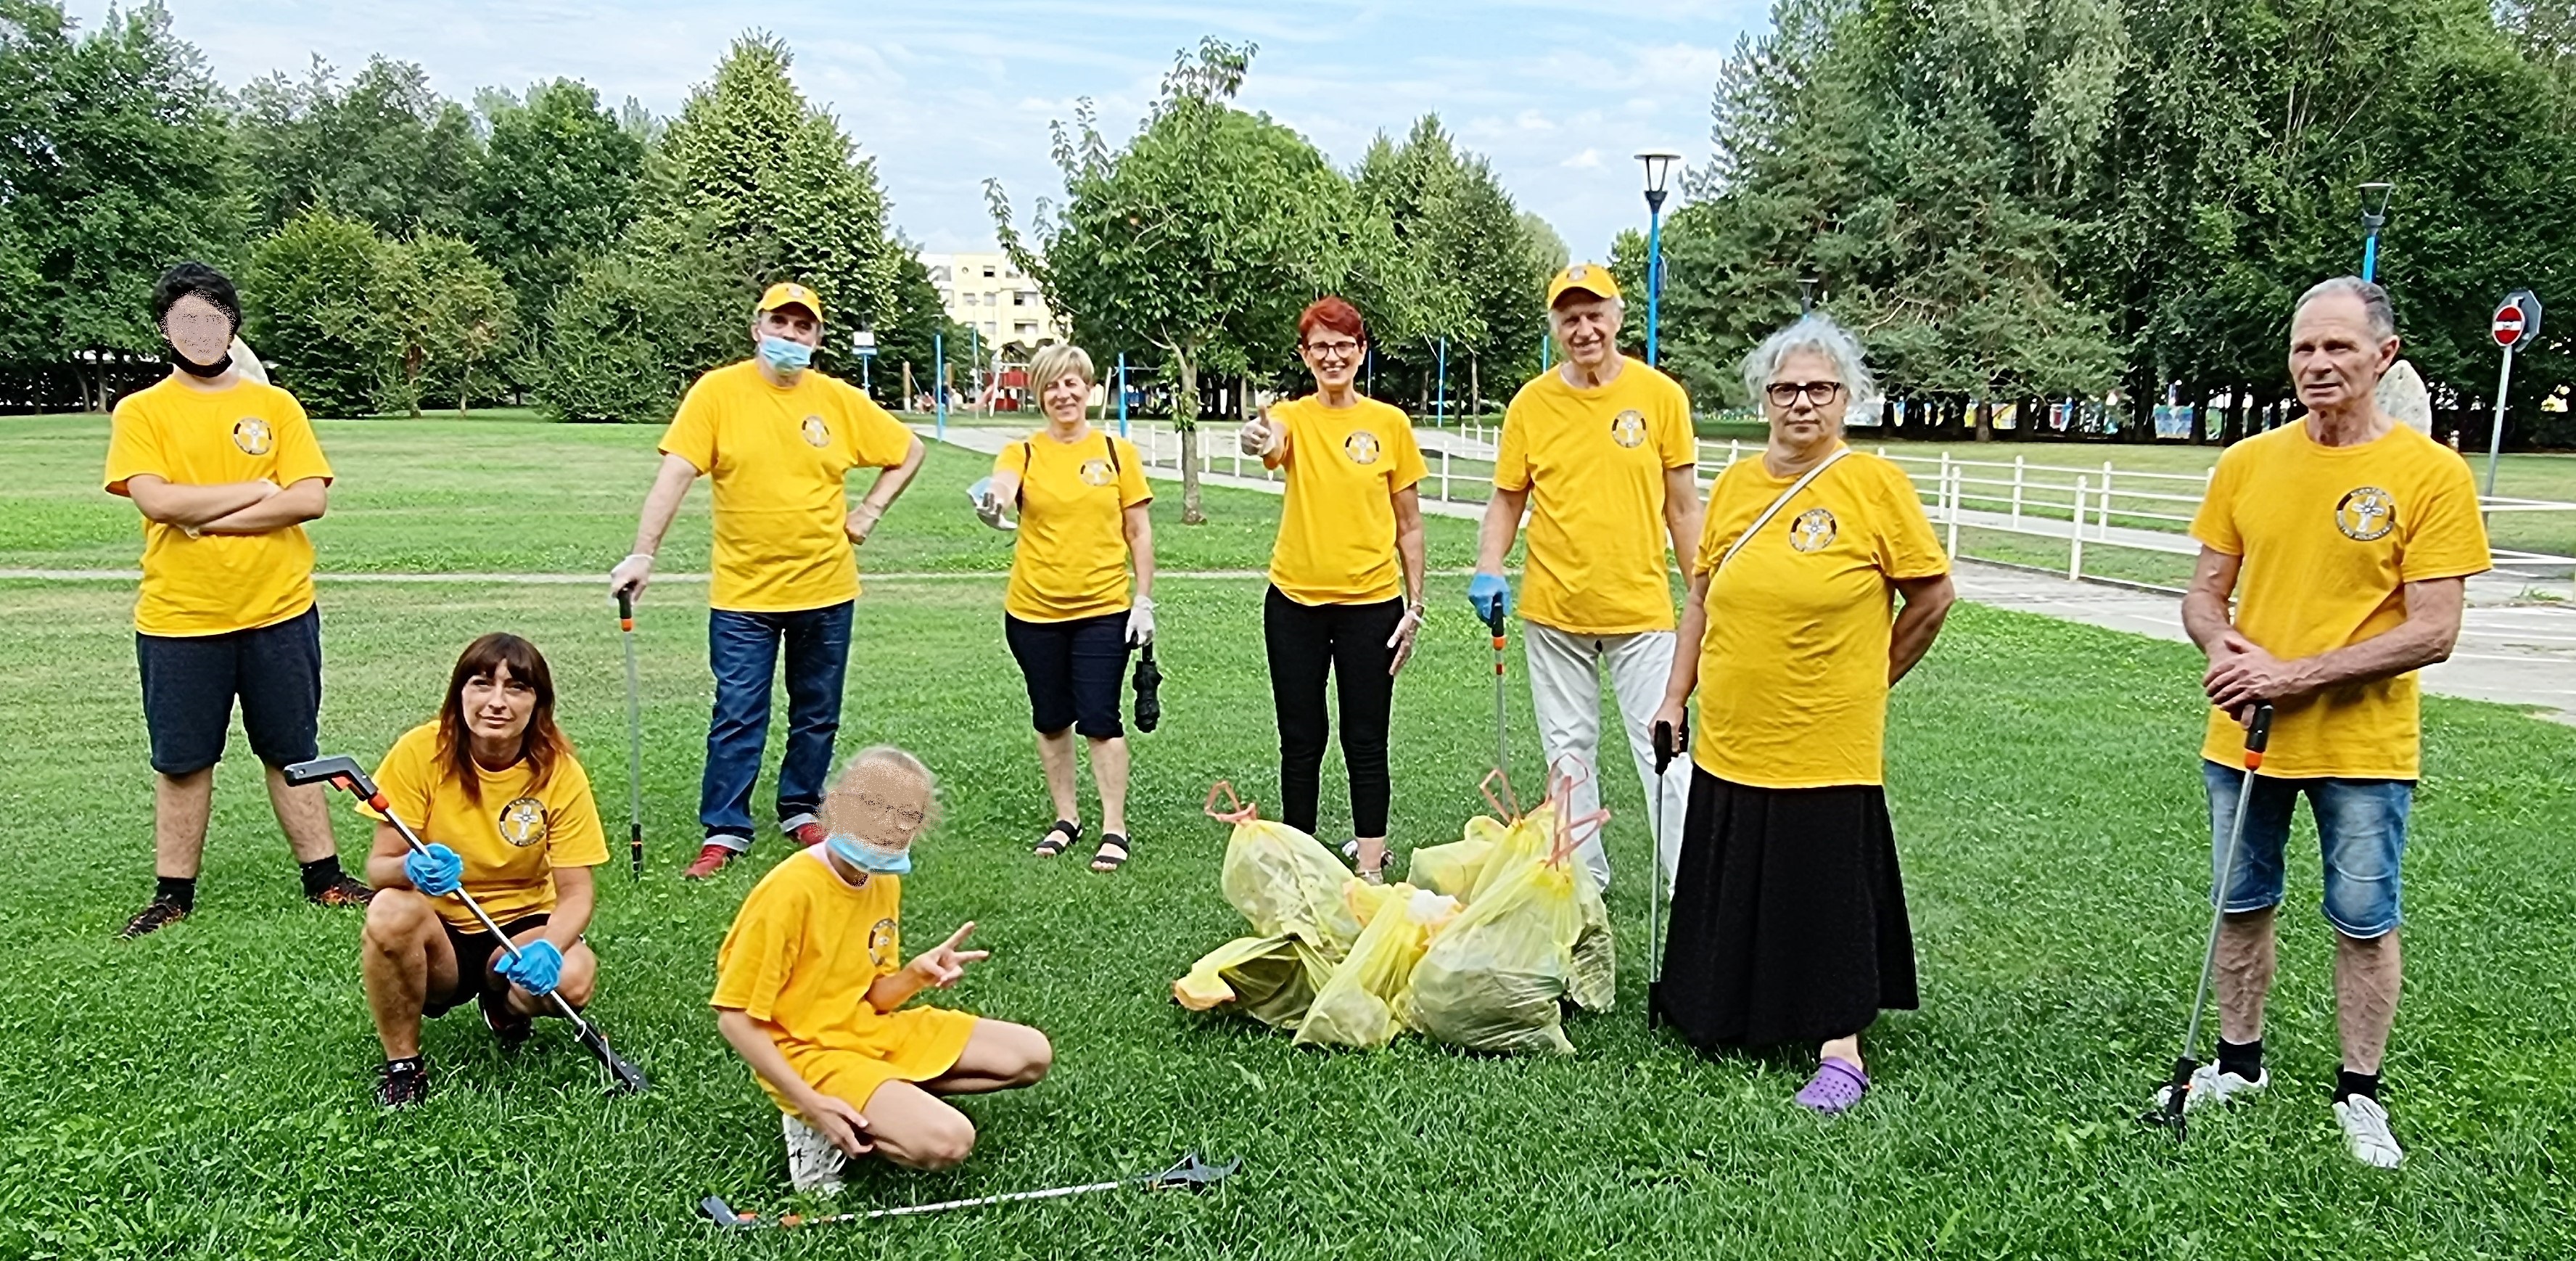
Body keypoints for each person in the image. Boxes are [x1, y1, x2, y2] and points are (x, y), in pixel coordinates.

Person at [2163, 276, 2488, 1169]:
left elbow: (2434, 629)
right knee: (2239, 907)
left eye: (2338, 347)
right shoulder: (2247, 462)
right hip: (2243, 736)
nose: (2317, 364)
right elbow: (2202, 592)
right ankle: (2237, 1065)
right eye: (2304, 347)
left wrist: (2295, 675)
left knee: (2361, 918)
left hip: (2361, 747)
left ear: (2382, 356)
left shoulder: (2428, 474)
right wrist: (2223, 649)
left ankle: (2358, 1094)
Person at [1649, 315, 1954, 1115]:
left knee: (1821, 882)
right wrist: (1673, 696)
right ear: (1763, 398)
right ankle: (1722, 1007)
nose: (1801, 404)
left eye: (1819, 389)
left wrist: (1871, 677)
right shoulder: (1738, 487)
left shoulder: (1872, 485)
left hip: (1828, 733)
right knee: (1736, 863)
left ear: (1845, 397)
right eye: (1785, 389)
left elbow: (1931, 597)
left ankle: (1838, 1048)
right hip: (1733, 726)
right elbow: (1701, 601)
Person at [610, 282, 927, 879]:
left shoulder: (837, 400)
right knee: (738, 710)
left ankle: (799, 807)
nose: (789, 335)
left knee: (816, 711)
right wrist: (642, 555)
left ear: (817, 339)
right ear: (757, 329)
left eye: (802, 327)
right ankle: (725, 827)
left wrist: (869, 511)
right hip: (743, 595)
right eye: (778, 323)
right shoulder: (718, 393)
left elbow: (907, 451)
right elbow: (675, 474)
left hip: (827, 589)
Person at [104, 262, 369, 938]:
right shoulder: (142, 411)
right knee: (184, 758)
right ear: (164, 329)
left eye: (212, 314)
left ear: (232, 322)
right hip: (181, 619)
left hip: (279, 610)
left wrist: (212, 516)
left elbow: (309, 497)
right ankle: (173, 895)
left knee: (292, 748)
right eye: (184, 318)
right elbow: (155, 499)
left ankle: (326, 879)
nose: (199, 329)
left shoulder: (275, 407)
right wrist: (257, 491)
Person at [713, 747, 1053, 1186]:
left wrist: (916, 975)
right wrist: (809, 1102)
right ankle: (815, 1124)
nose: (894, 824)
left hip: (864, 1033)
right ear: (839, 805)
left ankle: (882, 1100)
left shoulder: (882, 879)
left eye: (908, 815)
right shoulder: (789, 892)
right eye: (879, 808)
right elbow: (735, 1019)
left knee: (1030, 1055)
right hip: (804, 1053)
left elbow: (872, 996)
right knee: (949, 1140)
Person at [1471, 263, 1703, 891]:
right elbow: (1506, 499)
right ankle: (1581, 886)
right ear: (1554, 328)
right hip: (1554, 611)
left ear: (1617, 318)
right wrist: (1488, 568)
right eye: (1569, 318)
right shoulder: (1532, 402)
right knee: (1567, 758)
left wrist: (1704, 589)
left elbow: (1682, 507)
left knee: (1667, 754)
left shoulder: (1660, 398)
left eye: (1594, 314)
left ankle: (1693, 888)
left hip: (1643, 613)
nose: (1583, 329)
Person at [356, 634, 609, 1107]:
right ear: (459, 694)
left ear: (538, 704)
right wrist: (411, 865)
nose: (497, 702)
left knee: (573, 979)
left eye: (516, 688)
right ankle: (403, 1065)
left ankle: (504, 1000)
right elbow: (378, 871)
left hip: (521, 929)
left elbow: (576, 892)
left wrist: (551, 949)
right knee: (389, 910)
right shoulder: (419, 751)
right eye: (481, 684)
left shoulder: (560, 772)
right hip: (441, 933)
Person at [1235, 297, 1428, 880]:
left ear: (1361, 351)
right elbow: (1270, 441)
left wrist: (1414, 606)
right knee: (1301, 737)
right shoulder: (1293, 417)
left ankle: (1369, 864)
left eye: (1344, 345)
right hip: (1294, 603)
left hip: (1372, 606)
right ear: (1305, 355)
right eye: (1320, 346)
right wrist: (1256, 437)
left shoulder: (1389, 424)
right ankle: (1301, 862)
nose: (1332, 356)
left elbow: (1410, 524)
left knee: (1365, 737)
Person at [973, 344, 1156, 872]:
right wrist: (994, 502)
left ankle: (1113, 827)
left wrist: (1143, 599)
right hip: (1033, 613)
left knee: (1100, 719)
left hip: (1102, 609)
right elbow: (1002, 486)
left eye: (1072, 383)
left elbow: (1138, 531)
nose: (1063, 393)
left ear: (1089, 389)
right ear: (1039, 394)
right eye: (1052, 385)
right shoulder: (1022, 452)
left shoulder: (1117, 453)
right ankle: (1066, 817)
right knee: (1052, 719)